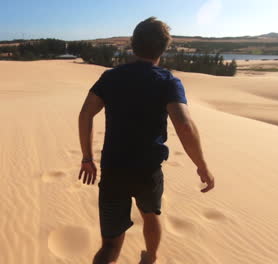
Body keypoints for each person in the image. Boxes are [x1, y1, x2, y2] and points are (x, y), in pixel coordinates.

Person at [78, 17, 215, 264]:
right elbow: (184, 125)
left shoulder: (110, 78)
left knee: (109, 245)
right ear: (163, 48)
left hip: (114, 170)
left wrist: (87, 158)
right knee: (151, 215)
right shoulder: (167, 81)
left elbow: (86, 113)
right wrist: (202, 166)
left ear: (133, 44)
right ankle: (150, 257)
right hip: (147, 171)